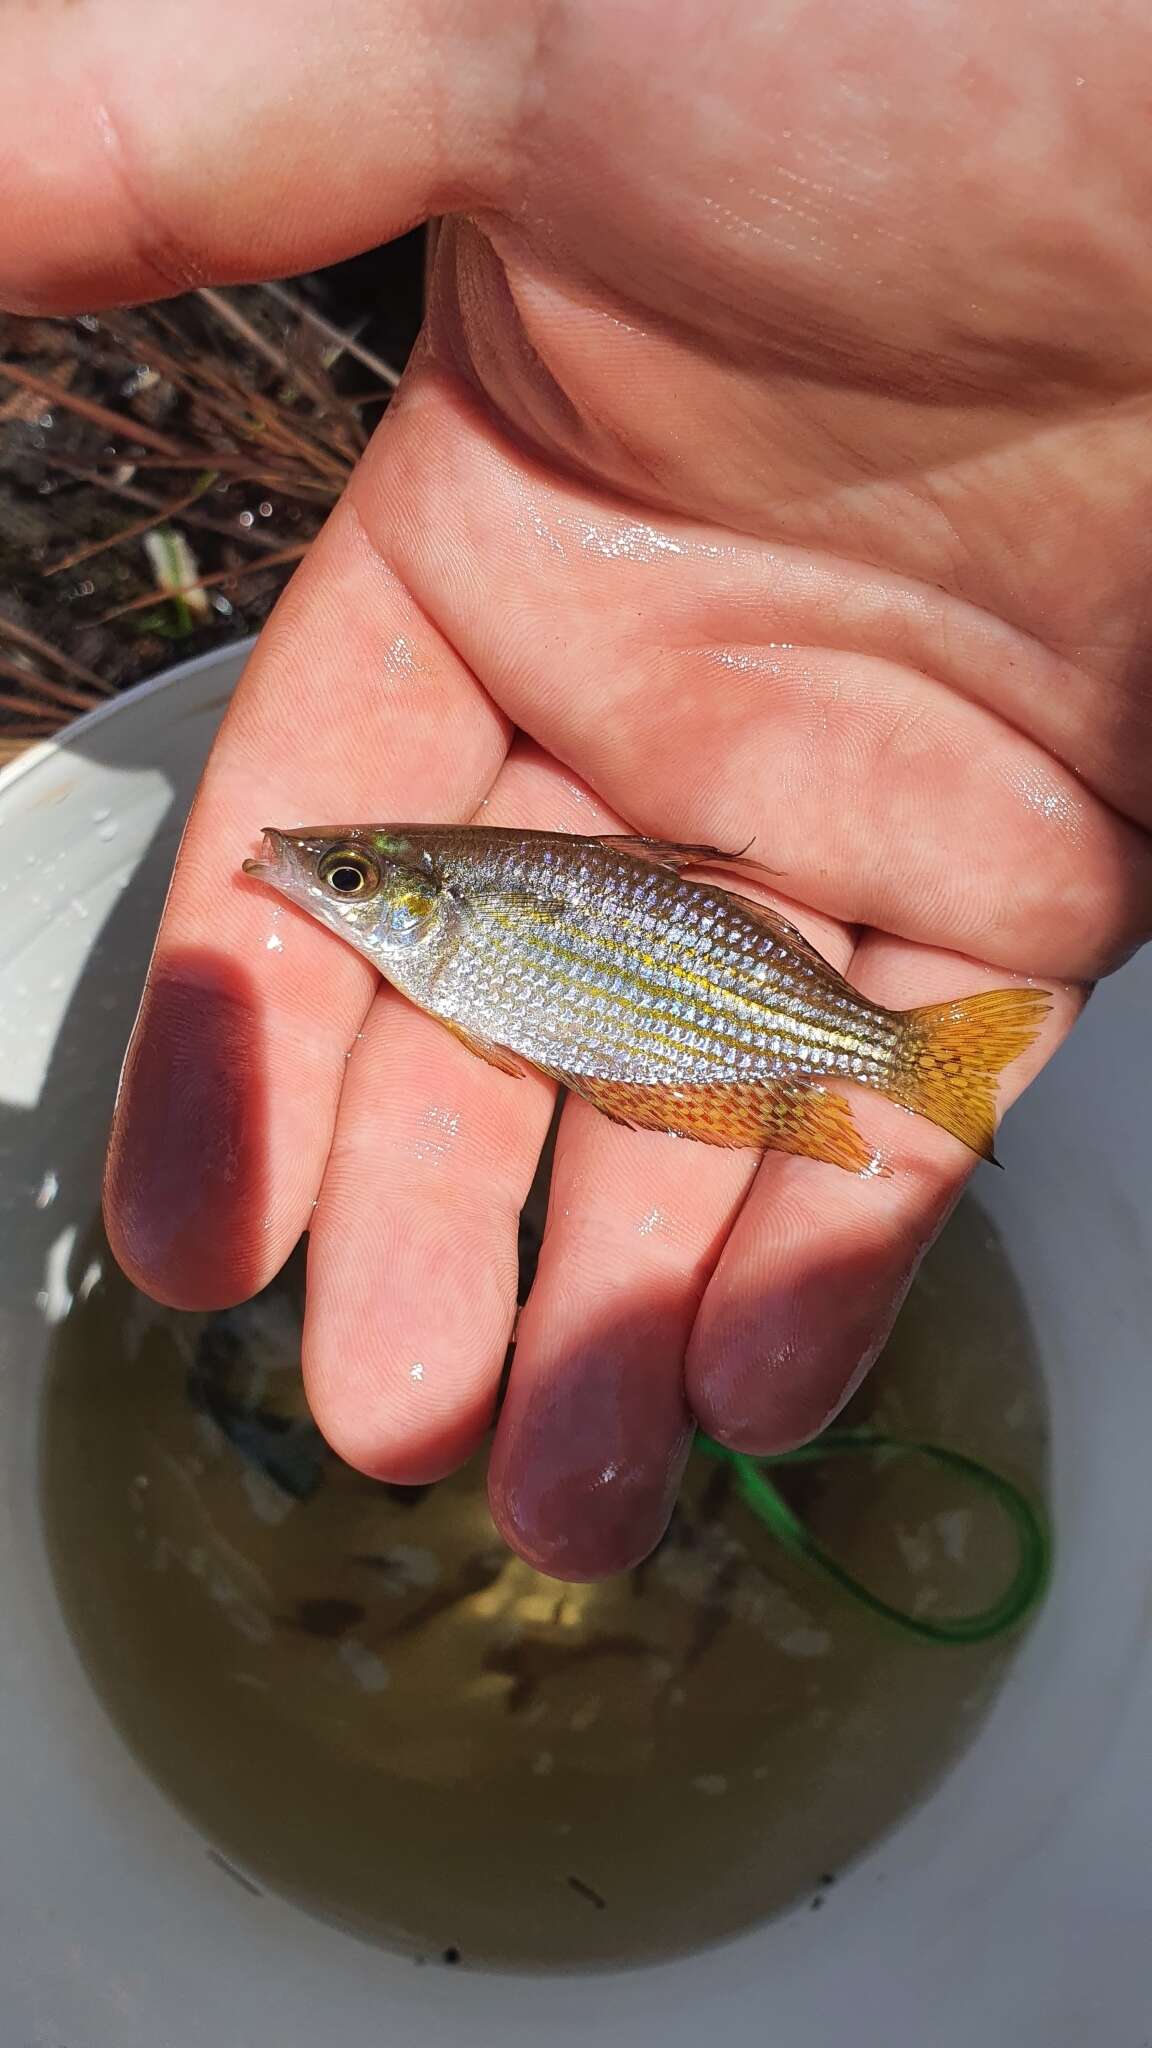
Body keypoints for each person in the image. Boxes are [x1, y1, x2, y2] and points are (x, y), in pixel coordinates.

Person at [2, 0, 1148, 1580]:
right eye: (346, 880)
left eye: (349, 886)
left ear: (413, 897)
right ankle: (894, 1061)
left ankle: (901, 1060)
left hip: (699, 987)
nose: (330, 891)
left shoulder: (459, 922)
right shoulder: (450, 911)